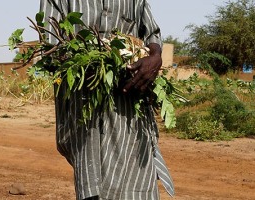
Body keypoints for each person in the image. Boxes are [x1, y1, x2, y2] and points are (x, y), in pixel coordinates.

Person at [39, 0, 174, 199]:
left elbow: (152, 33)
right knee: (93, 181)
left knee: (138, 179)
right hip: (85, 104)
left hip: (129, 100)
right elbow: (49, 47)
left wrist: (155, 56)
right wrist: (93, 65)